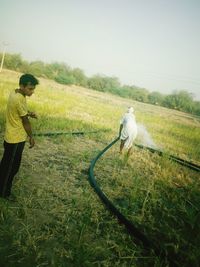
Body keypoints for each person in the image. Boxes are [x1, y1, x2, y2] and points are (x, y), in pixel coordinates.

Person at [0, 73, 39, 199]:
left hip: (10, 136)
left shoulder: (15, 93)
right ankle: (4, 193)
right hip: (16, 140)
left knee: (5, 164)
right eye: (30, 88)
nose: (32, 91)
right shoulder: (19, 99)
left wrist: (28, 113)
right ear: (22, 86)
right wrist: (31, 137)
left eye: (33, 88)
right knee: (11, 168)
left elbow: (19, 111)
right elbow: (25, 122)